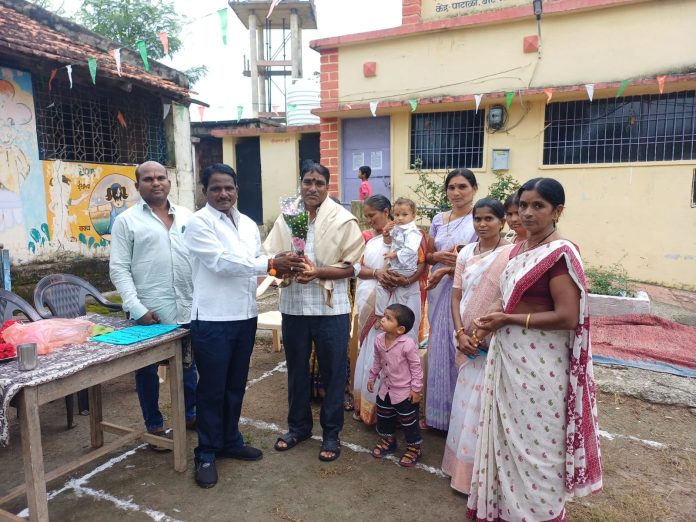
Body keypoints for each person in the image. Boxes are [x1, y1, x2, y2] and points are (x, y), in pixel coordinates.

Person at [467, 178, 603, 521]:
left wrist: (508, 319)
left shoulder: (559, 254)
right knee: (506, 440)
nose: (527, 213)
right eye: (524, 205)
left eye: (538, 206)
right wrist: (490, 322)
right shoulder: (518, 250)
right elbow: (506, 299)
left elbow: (568, 316)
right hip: (508, 360)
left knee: (538, 446)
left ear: (557, 211)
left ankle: (539, 513)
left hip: (541, 369)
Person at [183, 163, 305, 488]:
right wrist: (270, 263)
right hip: (212, 318)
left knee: (235, 384)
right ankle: (206, 452)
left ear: (237, 190)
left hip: (244, 315)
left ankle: (230, 440)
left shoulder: (249, 224)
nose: (223, 193)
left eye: (229, 188)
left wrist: (284, 267)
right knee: (212, 388)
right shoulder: (198, 223)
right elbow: (221, 263)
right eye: (216, 188)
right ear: (204, 191)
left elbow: (255, 266)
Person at [264, 163, 364, 462]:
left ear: (327, 187)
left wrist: (318, 272)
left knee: (334, 372)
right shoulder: (287, 216)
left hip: (330, 308)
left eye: (319, 183)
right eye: (307, 181)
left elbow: (354, 267)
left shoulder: (343, 219)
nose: (312, 188)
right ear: (300, 183)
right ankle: (298, 428)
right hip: (294, 305)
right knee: (296, 370)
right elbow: (270, 258)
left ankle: (331, 434)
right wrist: (284, 265)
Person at [109, 161, 198, 445]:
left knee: (188, 366)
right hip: (150, 313)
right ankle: (154, 425)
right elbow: (119, 269)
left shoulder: (187, 216)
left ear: (169, 182)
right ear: (138, 186)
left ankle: (190, 414)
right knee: (147, 371)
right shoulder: (126, 221)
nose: (156, 182)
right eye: (148, 179)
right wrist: (136, 308)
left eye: (161, 177)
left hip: (187, 307)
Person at [441, 198, 513, 494]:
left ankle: (481, 476)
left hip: (492, 340)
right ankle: (459, 471)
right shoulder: (465, 253)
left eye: (489, 219)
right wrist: (460, 333)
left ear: (502, 222)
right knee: (464, 404)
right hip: (465, 338)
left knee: (483, 407)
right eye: (477, 219)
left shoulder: (511, 254)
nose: (482, 224)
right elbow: (456, 296)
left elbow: (507, 299)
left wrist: (481, 333)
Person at [352, 195, 427, 425]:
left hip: (405, 296)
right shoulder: (370, 241)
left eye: (372, 215)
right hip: (377, 303)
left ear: (386, 213)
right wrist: (378, 274)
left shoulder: (415, 236)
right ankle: (373, 408)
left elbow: (422, 263)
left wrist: (406, 280)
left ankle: (402, 409)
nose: (369, 220)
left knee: (404, 349)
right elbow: (357, 268)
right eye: (398, 214)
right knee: (375, 350)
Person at [424, 168, 478, 430]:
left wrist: (449, 268)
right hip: (437, 288)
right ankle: (437, 415)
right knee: (438, 345)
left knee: (456, 343)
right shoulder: (438, 219)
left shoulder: (479, 218)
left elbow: (481, 257)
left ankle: (460, 419)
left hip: (462, 287)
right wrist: (437, 258)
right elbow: (427, 254)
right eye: (451, 187)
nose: (456, 192)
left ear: (474, 189)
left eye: (462, 187)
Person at [368, 304, 424, 467]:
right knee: (384, 415)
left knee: (409, 420)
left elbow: (416, 368)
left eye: (388, 318)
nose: (382, 320)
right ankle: (389, 441)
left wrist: (416, 389)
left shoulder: (407, 344)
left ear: (400, 329)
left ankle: (414, 448)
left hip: (404, 393)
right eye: (384, 316)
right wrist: (372, 377)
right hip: (385, 389)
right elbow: (377, 360)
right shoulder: (379, 340)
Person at [375, 197, 421, 319]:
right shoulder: (398, 228)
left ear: (413, 215)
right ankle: (387, 317)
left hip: (406, 268)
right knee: (393, 292)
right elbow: (389, 243)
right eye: (397, 215)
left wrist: (395, 254)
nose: (400, 218)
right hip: (397, 266)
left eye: (404, 214)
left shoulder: (413, 232)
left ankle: (383, 316)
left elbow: (411, 249)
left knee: (383, 286)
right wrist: (386, 233)